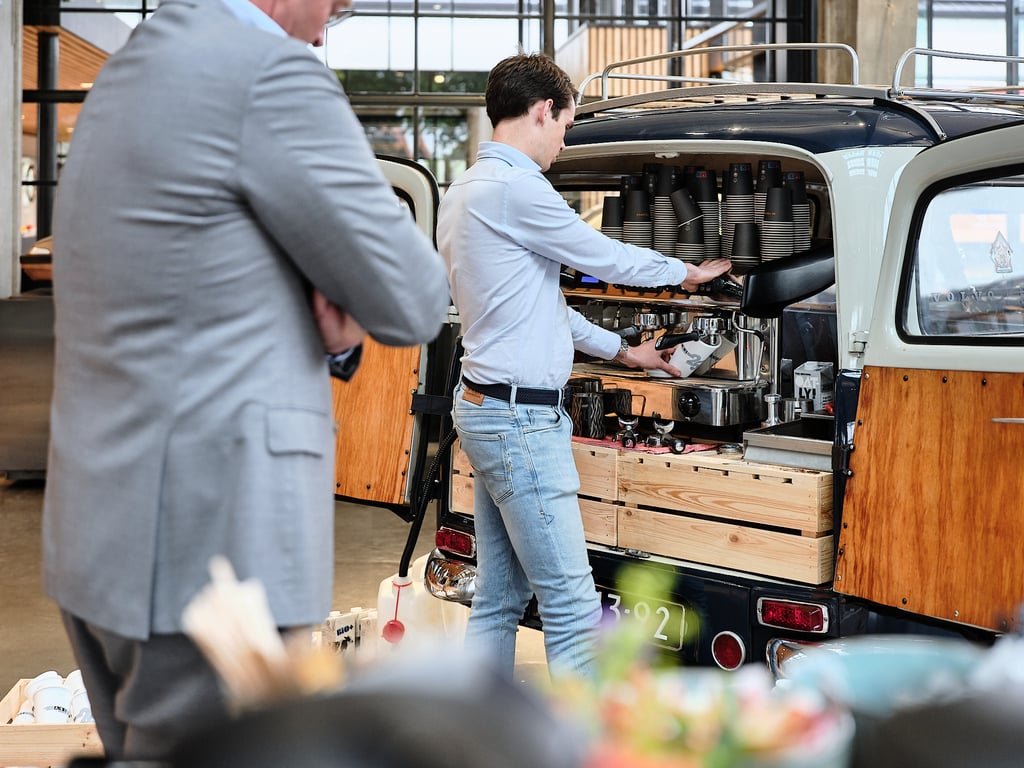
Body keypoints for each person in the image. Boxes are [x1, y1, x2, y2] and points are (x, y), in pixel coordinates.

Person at [42, 0, 449, 759]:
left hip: (99, 533)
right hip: (209, 544)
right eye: (334, 3)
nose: (330, 25)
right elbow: (414, 296)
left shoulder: (133, 68)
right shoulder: (267, 73)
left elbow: (182, 284)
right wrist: (345, 304)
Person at [436, 52, 731, 680]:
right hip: (518, 420)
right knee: (572, 608)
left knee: (496, 599)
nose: (564, 145)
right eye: (566, 127)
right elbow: (604, 256)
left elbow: (542, 310)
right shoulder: (517, 189)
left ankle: (475, 735)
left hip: (487, 407)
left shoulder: (464, 191)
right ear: (543, 111)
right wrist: (687, 275)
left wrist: (626, 353)